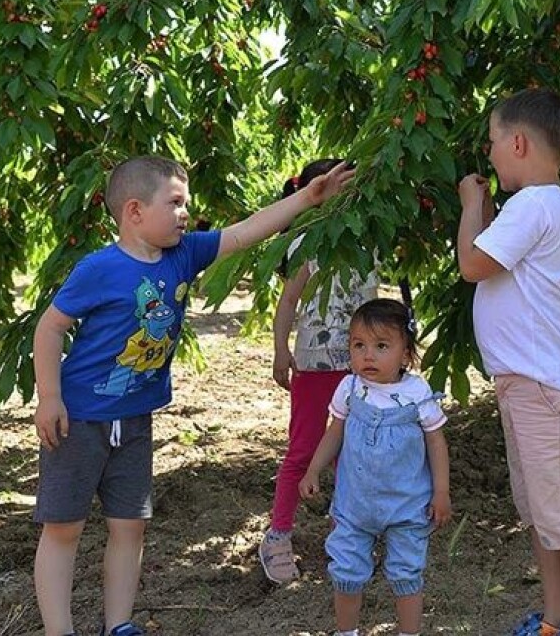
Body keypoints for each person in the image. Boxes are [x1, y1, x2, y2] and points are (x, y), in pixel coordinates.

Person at [32, 156, 353, 636]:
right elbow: (50, 328)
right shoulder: (100, 267)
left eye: (187, 203)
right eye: (176, 203)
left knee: (129, 526)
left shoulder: (184, 254)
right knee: (64, 529)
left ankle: (118, 625)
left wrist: (308, 197)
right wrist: (50, 397)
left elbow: (247, 232)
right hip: (79, 419)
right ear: (134, 211)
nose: (186, 213)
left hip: (137, 419)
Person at [457, 88, 560, 636]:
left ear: (516, 142)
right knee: (542, 514)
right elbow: (493, 252)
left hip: (542, 387)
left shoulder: (536, 204)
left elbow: (473, 262)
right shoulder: (538, 206)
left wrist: (472, 205)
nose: (489, 154)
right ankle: (556, 619)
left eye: (493, 142)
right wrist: (487, 210)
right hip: (526, 385)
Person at [299, 297, 452, 636]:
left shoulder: (417, 393)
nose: (368, 355)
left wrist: (441, 491)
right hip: (355, 504)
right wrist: (314, 469)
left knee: (406, 573)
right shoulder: (350, 388)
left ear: (406, 354)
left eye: (381, 346)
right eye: (358, 345)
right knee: (347, 570)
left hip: (408, 505)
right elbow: (334, 432)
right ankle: (346, 632)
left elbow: (436, 443)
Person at [261, 158, 380, 583]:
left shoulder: (368, 242)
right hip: (315, 367)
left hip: (361, 369)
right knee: (304, 448)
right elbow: (289, 302)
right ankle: (278, 534)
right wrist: (280, 349)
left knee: (352, 454)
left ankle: (345, 533)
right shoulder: (307, 245)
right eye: (334, 189)